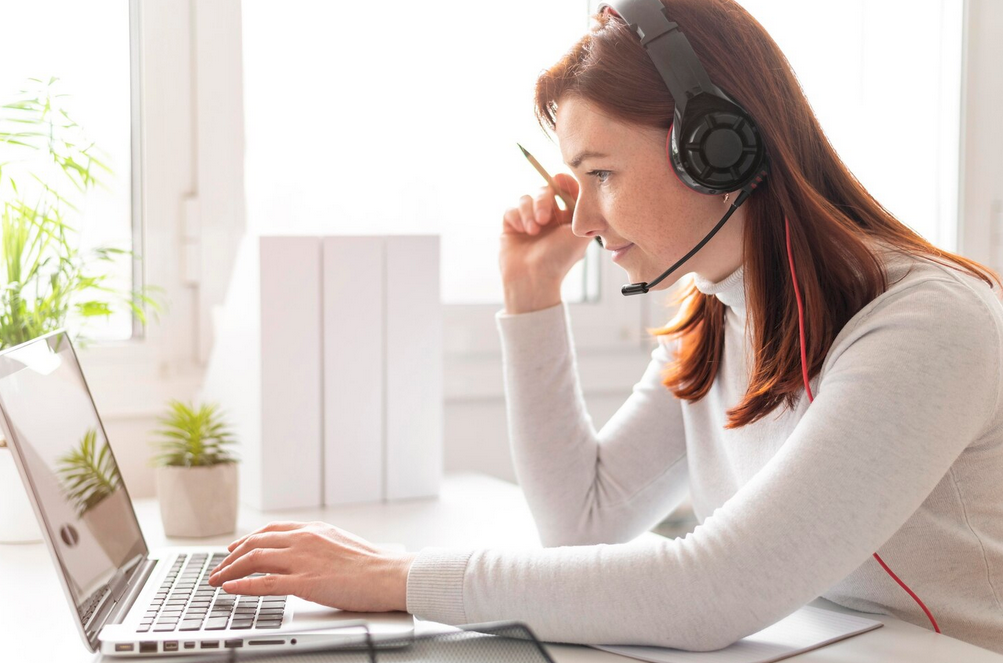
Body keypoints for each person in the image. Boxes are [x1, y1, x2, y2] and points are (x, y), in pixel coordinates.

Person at [208, 0, 1003, 653]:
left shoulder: (924, 322)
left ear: (715, 149)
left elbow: (714, 590)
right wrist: (530, 297)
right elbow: (581, 524)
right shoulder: (719, 314)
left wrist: (397, 578)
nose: (582, 217)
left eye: (601, 174)